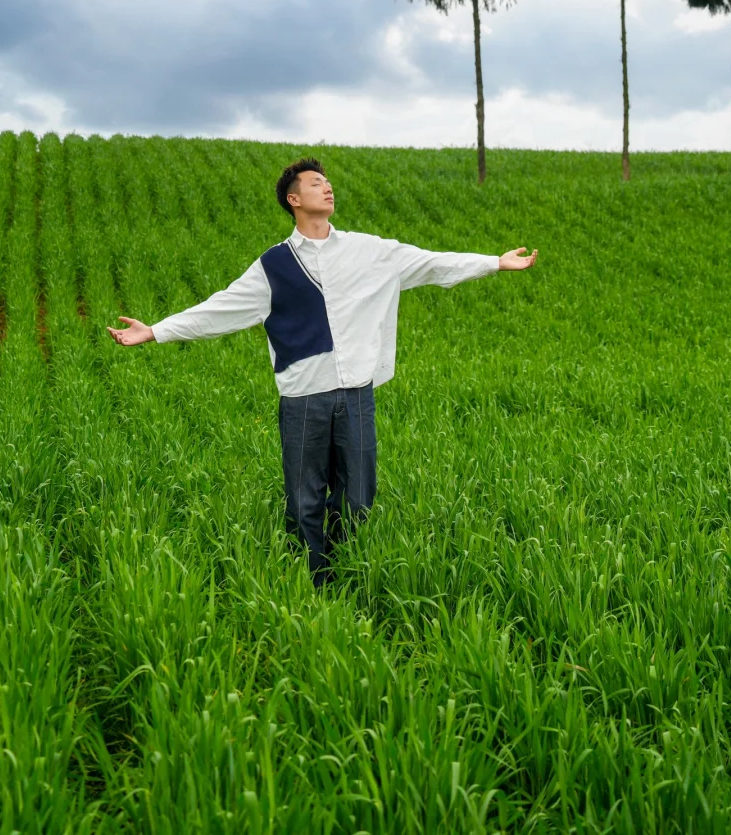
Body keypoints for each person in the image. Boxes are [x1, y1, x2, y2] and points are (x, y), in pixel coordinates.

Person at [107, 156, 537, 585]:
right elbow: (221, 309)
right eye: (315, 184)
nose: (327, 187)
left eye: (327, 182)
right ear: (293, 200)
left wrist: (493, 262)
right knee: (303, 498)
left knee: (359, 496)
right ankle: (310, 581)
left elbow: (431, 263)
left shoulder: (369, 251)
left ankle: (346, 566)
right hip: (303, 397)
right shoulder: (273, 266)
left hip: (355, 394)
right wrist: (156, 331)